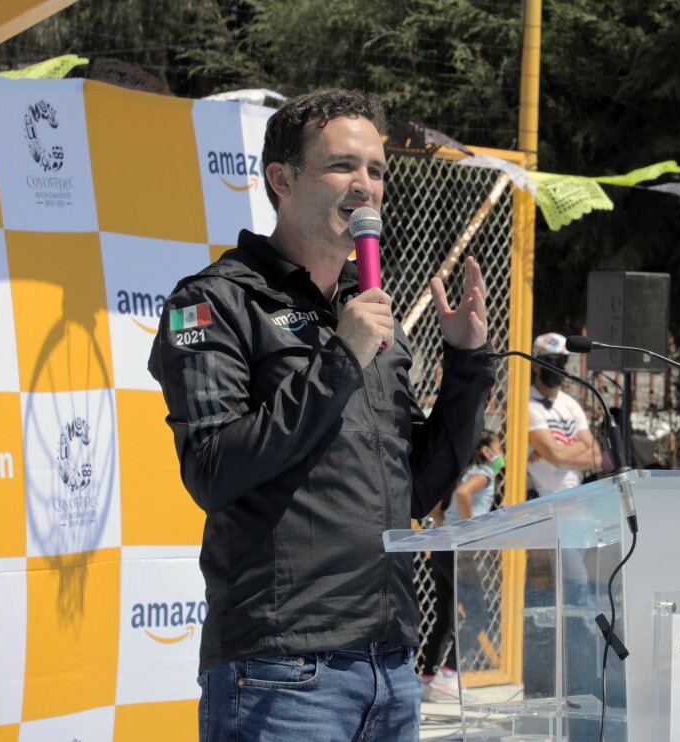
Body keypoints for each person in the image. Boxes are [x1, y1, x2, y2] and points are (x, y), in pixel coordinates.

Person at [148, 89, 496, 740]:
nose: (365, 186)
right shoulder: (214, 303)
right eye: (342, 166)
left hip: (389, 668)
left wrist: (468, 364)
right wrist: (342, 356)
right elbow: (213, 469)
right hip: (283, 672)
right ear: (281, 179)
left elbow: (415, 487)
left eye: (376, 170)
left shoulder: (368, 319)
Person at [419, 431, 504, 702]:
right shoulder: (484, 473)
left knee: (445, 616)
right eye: (499, 447)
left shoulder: (462, 472)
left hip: (443, 547)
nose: (502, 453)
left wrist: (444, 519)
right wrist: (468, 529)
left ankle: (427, 678)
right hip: (458, 549)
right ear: (487, 452)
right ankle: (450, 673)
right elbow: (464, 494)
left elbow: (434, 506)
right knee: (479, 614)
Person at [525, 332, 604, 497]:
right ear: (535, 365)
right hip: (540, 500)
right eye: (548, 360)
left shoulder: (571, 404)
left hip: (575, 496)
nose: (555, 366)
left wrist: (558, 453)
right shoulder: (527, 404)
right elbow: (556, 455)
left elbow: (596, 457)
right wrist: (582, 445)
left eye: (560, 361)